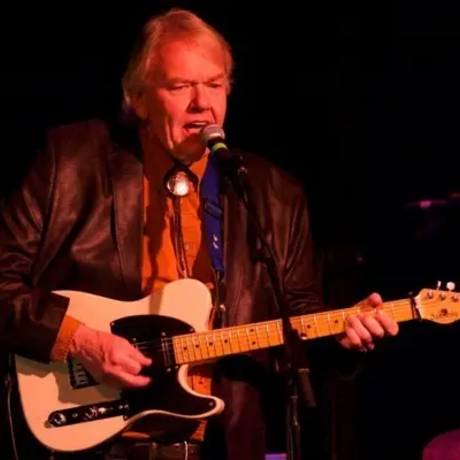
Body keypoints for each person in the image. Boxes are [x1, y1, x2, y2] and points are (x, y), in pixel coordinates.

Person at [0, 7, 399, 460]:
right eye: (179, 87)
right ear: (138, 99)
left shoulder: (273, 194)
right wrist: (81, 341)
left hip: (222, 443)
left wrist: (344, 337)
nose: (202, 103)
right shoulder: (70, 162)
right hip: (89, 442)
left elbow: (298, 321)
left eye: (214, 85)